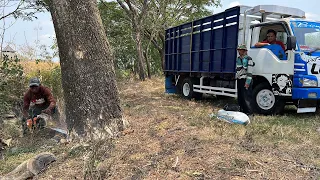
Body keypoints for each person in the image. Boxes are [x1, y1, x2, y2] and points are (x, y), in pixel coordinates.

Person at [236, 44, 254, 115]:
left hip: (245, 80)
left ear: (244, 51)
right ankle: (242, 111)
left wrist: (247, 82)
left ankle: (249, 113)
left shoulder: (248, 59)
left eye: (240, 50)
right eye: (239, 50)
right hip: (240, 79)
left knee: (247, 97)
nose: (239, 51)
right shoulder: (238, 59)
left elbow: (250, 72)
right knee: (240, 97)